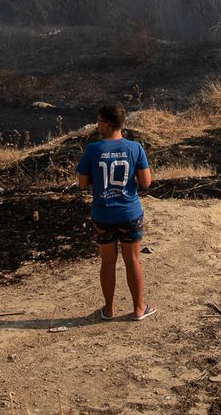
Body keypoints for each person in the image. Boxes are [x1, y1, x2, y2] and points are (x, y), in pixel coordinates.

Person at [76, 103, 154, 321]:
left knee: (107, 262)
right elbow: (146, 182)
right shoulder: (135, 148)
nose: (97, 124)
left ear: (107, 125)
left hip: (103, 214)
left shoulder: (93, 149)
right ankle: (139, 308)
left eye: (99, 121)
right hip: (129, 213)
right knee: (133, 261)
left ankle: (109, 309)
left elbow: (82, 183)